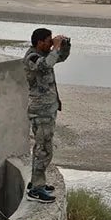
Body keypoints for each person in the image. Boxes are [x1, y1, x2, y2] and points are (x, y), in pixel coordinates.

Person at [24, 28, 70, 202]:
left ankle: (37, 182)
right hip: (40, 111)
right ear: (39, 42)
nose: (51, 44)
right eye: (48, 41)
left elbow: (60, 58)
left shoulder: (44, 55)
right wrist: (55, 47)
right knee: (44, 150)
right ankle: (36, 190)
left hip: (47, 110)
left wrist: (64, 46)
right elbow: (46, 64)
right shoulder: (32, 58)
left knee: (42, 147)